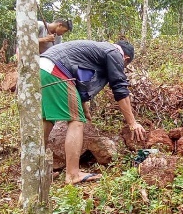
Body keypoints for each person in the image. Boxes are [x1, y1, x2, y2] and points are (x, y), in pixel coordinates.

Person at [40, 40, 146, 184]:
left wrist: (84, 108)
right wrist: (132, 123)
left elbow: (80, 82)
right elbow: (120, 88)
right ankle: (73, 174)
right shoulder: (114, 53)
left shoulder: (98, 49)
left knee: (47, 119)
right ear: (125, 58)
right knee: (76, 121)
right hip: (57, 70)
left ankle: (37, 172)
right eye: (124, 66)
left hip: (41, 67)